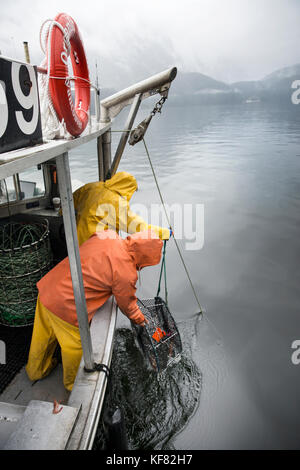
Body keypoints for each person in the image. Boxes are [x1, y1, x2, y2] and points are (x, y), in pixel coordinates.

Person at [25, 229, 163, 391]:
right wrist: (141, 320)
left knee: (42, 336)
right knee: (75, 348)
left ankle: (36, 371)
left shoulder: (108, 234)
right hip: (67, 307)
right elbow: (128, 306)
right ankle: (73, 385)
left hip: (48, 289)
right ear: (145, 258)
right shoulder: (126, 272)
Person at [73, 171, 170, 245]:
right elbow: (139, 227)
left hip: (74, 239)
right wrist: (164, 233)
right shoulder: (118, 203)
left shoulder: (92, 187)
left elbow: (71, 200)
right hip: (94, 244)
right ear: (128, 189)